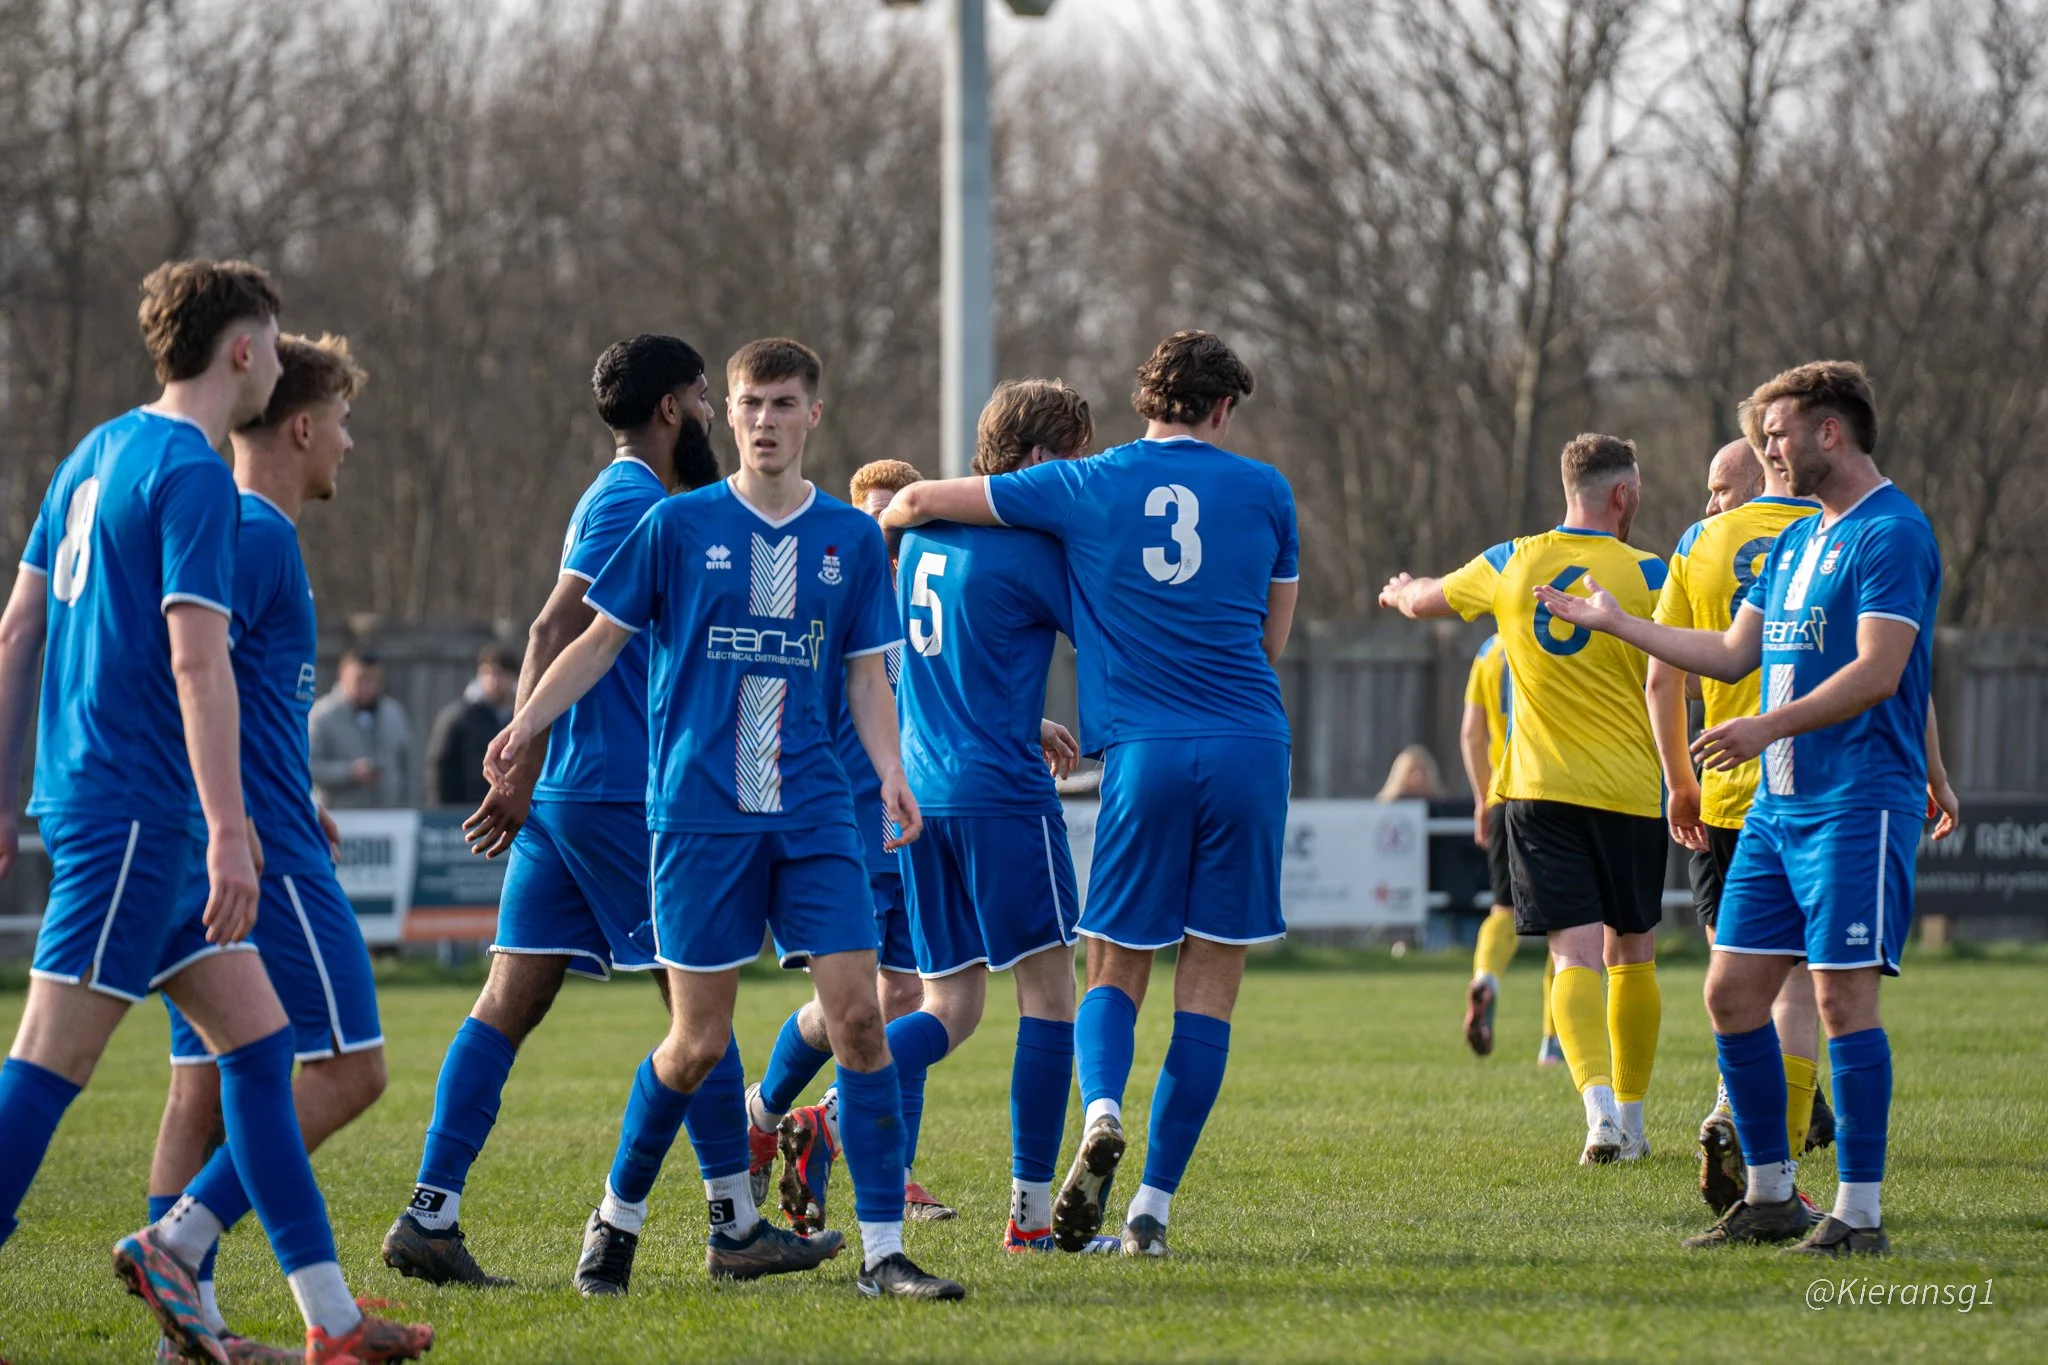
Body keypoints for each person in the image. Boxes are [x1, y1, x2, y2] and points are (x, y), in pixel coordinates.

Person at [0, 260, 431, 1363]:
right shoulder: (191, 473)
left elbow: (15, 637)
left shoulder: (90, 455)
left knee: (259, 1046)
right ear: (242, 350)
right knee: (47, 1066)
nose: (284, 368)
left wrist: (6, 801)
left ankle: (323, 1322)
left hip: (140, 817)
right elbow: (200, 664)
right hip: (137, 814)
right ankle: (196, 1270)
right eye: (278, 347)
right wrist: (235, 832)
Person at [484, 338, 965, 1300]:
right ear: (728, 413)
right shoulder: (675, 525)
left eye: (785, 403)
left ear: (812, 416)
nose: (765, 420)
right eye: (749, 403)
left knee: (861, 1018)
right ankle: (615, 1218)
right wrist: (528, 720)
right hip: (700, 815)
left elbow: (868, 676)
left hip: (820, 811)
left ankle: (882, 1255)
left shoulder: (850, 539)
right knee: (696, 1042)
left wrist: (892, 773)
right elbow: (596, 638)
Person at [881, 329, 1298, 1259]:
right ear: (1224, 408)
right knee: (1211, 983)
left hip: (1143, 752)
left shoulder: (1086, 480)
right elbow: (1272, 637)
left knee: (1111, 963)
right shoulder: (1268, 490)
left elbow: (911, 497)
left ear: (1147, 398)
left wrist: (881, 539)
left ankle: (1101, 1108)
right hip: (1247, 743)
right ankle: (1148, 1212)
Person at [1535, 361, 1961, 1255]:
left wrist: (1768, 726)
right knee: (1730, 995)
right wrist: (1618, 622)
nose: (1770, 448)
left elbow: (1883, 671)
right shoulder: (1803, 537)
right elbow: (1731, 652)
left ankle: (1861, 1211)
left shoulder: (1893, 532)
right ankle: (1770, 1195)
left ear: (1831, 432)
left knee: (1843, 1003)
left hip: (1854, 801)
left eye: (1780, 432)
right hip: (1779, 805)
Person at [380, 334, 721, 1294]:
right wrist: (517, 759)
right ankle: (736, 1222)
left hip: (575, 791)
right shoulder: (633, 501)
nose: (711, 416)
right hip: (614, 790)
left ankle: (430, 1213)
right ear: (669, 410)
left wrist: (530, 768)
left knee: (511, 998)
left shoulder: (611, 494)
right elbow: (550, 626)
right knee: (695, 1007)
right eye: (703, 397)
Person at [143, 333, 390, 1362]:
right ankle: (178, 1240)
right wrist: (243, 816)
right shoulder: (256, 535)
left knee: (201, 1092)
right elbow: (183, 674)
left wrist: (281, 785)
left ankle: (177, 1335)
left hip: (248, 829)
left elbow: (239, 690)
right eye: (340, 422)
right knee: (348, 1072)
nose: (347, 442)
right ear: (299, 425)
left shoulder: (250, 534)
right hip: (263, 858)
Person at [1381, 433, 1668, 1166]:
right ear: (1623, 496)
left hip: (1538, 793)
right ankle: (1632, 1123)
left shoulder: (1511, 559)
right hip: (1631, 792)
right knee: (1631, 953)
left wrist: (1400, 589)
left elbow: (1423, 600)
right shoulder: (1652, 573)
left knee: (1573, 956)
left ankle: (1597, 1113)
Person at [889, 382, 1110, 1254]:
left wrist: (1023, 715)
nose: (1086, 472)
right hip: (1002, 798)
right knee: (1051, 997)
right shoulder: (1027, 550)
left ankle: (832, 1112)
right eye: (1077, 454)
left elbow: (941, 667)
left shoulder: (921, 543)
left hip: (924, 796)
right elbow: (1107, 636)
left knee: (950, 1003)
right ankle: (1027, 1219)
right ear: (1036, 461)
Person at [742, 458, 948, 1232]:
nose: (887, 534)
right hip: (851, 830)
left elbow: (934, 697)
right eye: (875, 520)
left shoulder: (927, 598)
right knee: (873, 1002)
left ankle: (871, 1164)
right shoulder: (834, 601)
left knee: (913, 994)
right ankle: (784, 1115)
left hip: (916, 828)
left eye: (899, 518)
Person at [1650, 430, 1834, 1218]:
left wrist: (1678, 783)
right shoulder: (1837, 529)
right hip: (1817, 787)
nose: (1708, 502)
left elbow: (1665, 678)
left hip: (1726, 792)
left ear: (1747, 474)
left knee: (1736, 977)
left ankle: (1749, 1127)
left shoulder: (1703, 542)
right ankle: (1773, 1151)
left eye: (1715, 488)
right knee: (1797, 988)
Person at [1457, 635, 1556, 1062]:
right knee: (1571, 929)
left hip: (1503, 794)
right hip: (1557, 789)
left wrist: (1482, 799)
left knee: (1503, 908)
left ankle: (1487, 976)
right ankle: (1554, 1041)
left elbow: (1470, 734)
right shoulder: (1557, 634)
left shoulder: (1487, 651)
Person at [309, 649, 411, 808]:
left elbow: (407, 766)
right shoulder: (322, 715)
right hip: (341, 821)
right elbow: (309, 766)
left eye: (374, 680)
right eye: (360, 679)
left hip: (389, 819)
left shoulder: (394, 714)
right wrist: (349, 773)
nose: (368, 687)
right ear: (342, 676)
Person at [426, 646, 519, 808]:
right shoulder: (458, 717)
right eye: (487, 673)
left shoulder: (522, 719)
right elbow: (440, 768)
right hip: (466, 811)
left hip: (514, 809)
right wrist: (443, 813)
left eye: (501, 674)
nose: (493, 681)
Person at [1375, 745, 1443, 801]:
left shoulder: (1441, 804)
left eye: (1422, 771)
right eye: (1412, 771)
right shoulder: (1389, 805)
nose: (1418, 777)